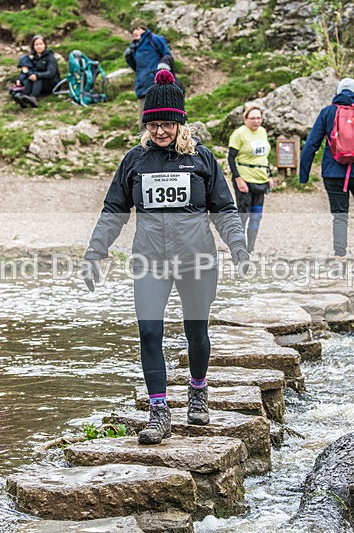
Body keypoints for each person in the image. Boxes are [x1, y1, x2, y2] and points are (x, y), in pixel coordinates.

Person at [82, 70, 249, 445]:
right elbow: (114, 210)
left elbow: (224, 209)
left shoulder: (202, 159)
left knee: (196, 333)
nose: (160, 132)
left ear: (180, 123)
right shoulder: (135, 161)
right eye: (154, 124)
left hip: (197, 260)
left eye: (167, 124)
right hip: (150, 260)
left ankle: (198, 389)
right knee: (149, 331)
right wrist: (95, 252)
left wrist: (238, 245)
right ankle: (159, 412)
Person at [299, 78, 354, 261]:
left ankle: (340, 256)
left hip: (333, 173)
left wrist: (304, 174)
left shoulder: (327, 112)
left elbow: (311, 144)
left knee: (339, 215)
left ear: (338, 91)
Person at [228, 105, 272, 254]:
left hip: (260, 179)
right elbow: (231, 158)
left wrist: (269, 176)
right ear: (245, 119)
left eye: (258, 118)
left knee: (256, 215)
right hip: (244, 179)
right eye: (252, 118)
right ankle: (239, 247)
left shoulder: (263, 132)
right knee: (243, 215)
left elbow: (264, 156)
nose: (256, 121)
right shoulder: (239, 134)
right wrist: (238, 178)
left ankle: (250, 248)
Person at [124, 19, 171, 129]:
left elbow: (167, 55)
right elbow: (136, 68)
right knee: (143, 125)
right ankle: (146, 146)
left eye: (138, 29)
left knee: (161, 120)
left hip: (157, 86)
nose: (135, 32)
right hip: (142, 88)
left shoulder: (155, 40)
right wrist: (128, 57)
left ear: (144, 29)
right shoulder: (135, 47)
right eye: (133, 30)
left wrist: (163, 66)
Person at [15, 35, 61, 108]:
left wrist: (37, 75)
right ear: (33, 46)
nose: (39, 46)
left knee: (37, 78)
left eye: (41, 44)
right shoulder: (34, 58)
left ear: (45, 45)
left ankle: (33, 97)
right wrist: (22, 78)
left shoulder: (50, 57)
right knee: (32, 77)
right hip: (40, 83)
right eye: (36, 44)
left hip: (52, 83)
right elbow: (30, 70)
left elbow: (50, 73)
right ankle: (24, 96)